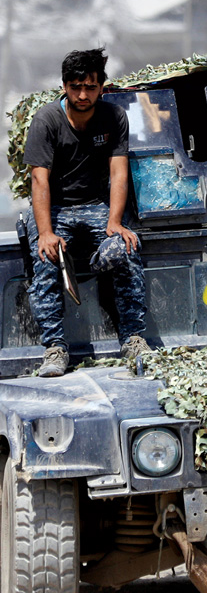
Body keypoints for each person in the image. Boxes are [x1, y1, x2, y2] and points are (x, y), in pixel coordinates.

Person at [23, 48, 149, 377]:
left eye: (90, 87)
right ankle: (54, 348)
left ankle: (133, 338)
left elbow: (119, 173)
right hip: (56, 206)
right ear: (64, 86)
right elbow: (39, 179)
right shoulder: (46, 120)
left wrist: (115, 222)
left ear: (101, 88)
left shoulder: (114, 117)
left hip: (97, 206)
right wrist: (47, 232)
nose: (82, 94)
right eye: (76, 86)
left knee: (126, 248)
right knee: (47, 257)